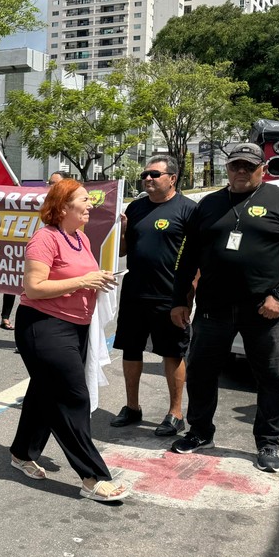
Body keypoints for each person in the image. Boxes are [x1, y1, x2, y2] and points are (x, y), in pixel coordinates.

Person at [170, 142, 279, 472]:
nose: (240, 171)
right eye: (235, 165)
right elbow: (187, 256)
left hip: (264, 310)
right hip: (213, 308)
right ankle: (200, 432)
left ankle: (268, 441)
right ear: (228, 168)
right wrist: (180, 300)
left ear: (261, 169)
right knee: (202, 372)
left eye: (248, 166)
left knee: (273, 377)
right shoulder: (208, 205)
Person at [8, 178, 129, 502]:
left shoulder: (80, 238)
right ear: (63, 208)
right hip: (44, 327)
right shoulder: (44, 239)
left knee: (43, 391)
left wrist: (98, 279)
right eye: (84, 200)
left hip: (76, 328)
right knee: (73, 397)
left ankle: (21, 453)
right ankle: (93, 476)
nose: (91, 205)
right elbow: (34, 287)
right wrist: (84, 279)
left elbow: (82, 278)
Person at [110, 155, 196, 435]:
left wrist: (186, 300)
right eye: (145, 174)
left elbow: (198, 262)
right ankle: (132, 407)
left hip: (170, 297)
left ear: (172, 178)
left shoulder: (188, 210)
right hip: (135, 293)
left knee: (172, 353)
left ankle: (175, 413)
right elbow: (121, 252)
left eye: (154, 174)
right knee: (131, 350)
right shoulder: (135, 209)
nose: (147, 178)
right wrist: (122, 231)